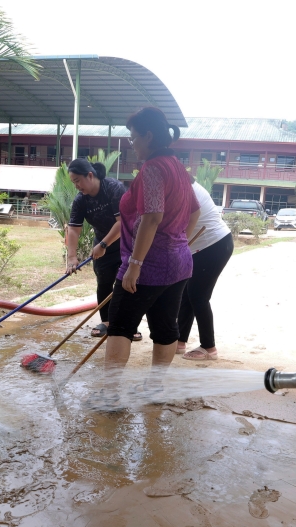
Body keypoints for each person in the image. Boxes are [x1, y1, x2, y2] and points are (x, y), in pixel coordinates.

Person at [104, 107, 200, 372]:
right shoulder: (178, 167)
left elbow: (152, 217)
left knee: (121, 326)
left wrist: (135, 264)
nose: (132, 144)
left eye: (133, 138)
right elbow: (195, 211)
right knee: (166, 326)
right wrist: (178, 242)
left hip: (147, 265)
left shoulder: (153, 168)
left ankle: (109, 394)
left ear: (147, 136)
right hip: (179, 263)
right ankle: (155, 390)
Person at [64, 158, 141, 341]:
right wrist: (72, 257)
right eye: (73, 182)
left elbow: (122, 224)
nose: (76, 186)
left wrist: (103, 245)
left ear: (90, 175)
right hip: (102, 242)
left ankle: (131, 325)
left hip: (126, 241)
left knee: (127, 283)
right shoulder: (80, 200)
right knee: (104, 282)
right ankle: (106, 322)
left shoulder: (114, 189)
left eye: (77, 181)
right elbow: (74, 229)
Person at [176, 178, 234, 360]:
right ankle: (179, 340)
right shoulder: (180, 185)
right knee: (187, 293)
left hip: (213, 245)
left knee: (198, 296)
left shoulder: (182, 189)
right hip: (202, 247)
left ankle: (209, 348)